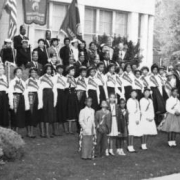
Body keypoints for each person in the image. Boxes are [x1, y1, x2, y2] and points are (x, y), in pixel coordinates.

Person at [39, 64, 57, 138]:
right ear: (45, 70)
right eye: (47, 69)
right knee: (44, 113)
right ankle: (44, 133)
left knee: (50, 113)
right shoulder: (41, 78)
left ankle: (48, 132)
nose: (49, 71)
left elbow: (55, 89)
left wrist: (55, 100)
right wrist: (40, 101)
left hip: (51, 95)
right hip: (44, 95)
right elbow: (40, 90)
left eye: (50, 69)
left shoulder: (53, 78)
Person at [9, 68, 29, 134]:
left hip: (21, 99)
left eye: (20, 72)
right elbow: (10, 92)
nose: (20, 73)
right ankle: (13, 133)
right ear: (15, 73)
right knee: (15, 116)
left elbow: (25, 93)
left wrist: (26, 103)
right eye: (18, 72)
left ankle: (17, 133)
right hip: (15, 98)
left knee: (20, 116)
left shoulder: (23, 82)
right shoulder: (12, 81)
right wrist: (11, 103)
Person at [25, 68, 40, 138]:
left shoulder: (38, 81)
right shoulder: (27, 81)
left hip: (36, 96)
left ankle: (32, 131)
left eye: (35, 72)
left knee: (34, 114)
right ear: (30, 73)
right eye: (32, 72)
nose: (34, 73)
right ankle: (29, 132)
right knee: (30, 114)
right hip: (30, 96)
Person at [65, 65, 79, 134]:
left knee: (74, 111)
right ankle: (69, 128)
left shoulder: (73, 78)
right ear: (68, 71)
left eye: (74, 71)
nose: (73, 72)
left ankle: (72, 128)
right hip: (69, 95)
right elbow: (67, 86)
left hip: (74, 94)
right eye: (72, 70)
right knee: (70, 111)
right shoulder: (67, 78)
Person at [54, 64, 67, 134]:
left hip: (63, 93)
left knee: (63, 109)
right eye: (59, 69)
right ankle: (56, 129)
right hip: (57, 92)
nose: (61, 70)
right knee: (57, 109)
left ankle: (64, 128)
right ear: (57, 70)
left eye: (62, 69)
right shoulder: (54, 77)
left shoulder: (65, 78)